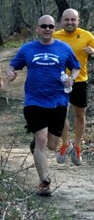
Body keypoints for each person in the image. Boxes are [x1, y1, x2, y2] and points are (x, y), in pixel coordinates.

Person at [7, 15, 80, 196]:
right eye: (43, 26)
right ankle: (44, 182)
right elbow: (13, 65)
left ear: (54, 28)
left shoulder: (64, 48)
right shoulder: (27, 49)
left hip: (58, 101)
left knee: (51, 145)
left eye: (50, 26)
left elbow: (76, 67)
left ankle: (39, 144)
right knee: (41, 139)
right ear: (37, 29)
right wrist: (11, 73)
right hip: (34, 100)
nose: (47, 29)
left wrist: (73, 78)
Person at [53, 8, 94, 166]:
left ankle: (77, 146)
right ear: (61, 21)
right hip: (59, 81)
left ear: (78, 21)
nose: (70, 22)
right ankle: (65, 143)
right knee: (60, 114)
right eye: (66, 20)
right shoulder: (55, 36)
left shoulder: (86, 35)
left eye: (72, 20)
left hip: (80, 80)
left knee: (80, 115)